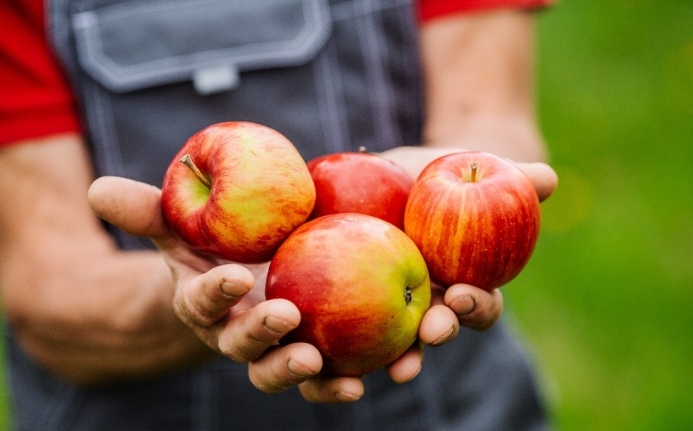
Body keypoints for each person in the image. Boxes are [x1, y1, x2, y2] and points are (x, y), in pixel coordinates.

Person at [0, 0, 558, 429]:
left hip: (447, 399)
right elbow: (46, 284)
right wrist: (218, 298)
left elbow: (488, 118)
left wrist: (466, 205)